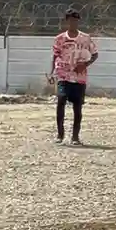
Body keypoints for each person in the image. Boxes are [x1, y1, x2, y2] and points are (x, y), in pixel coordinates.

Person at [47, 9, 98, 145]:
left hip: (79, 77)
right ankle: (60, 134)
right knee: (61, 100)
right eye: (70, 21)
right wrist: (52, 72)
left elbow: (95, 54)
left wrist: (85, 64)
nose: (73, 23)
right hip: (63, 75)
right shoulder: (60, 39)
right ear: (66, 22)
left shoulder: (85, 38)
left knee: (77, 106)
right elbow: (55, 56)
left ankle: (75, 137)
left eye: (75, 21)